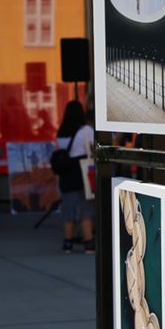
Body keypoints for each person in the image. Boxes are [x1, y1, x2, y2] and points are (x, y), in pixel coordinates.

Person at [55, 100, 94, 254]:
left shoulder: (61, 131)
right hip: (82, 172)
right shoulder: (86, 130)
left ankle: (68, 243)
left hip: (66, 173)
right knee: (85, 208)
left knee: (69, 209)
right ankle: (89, 242)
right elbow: (91, 149)